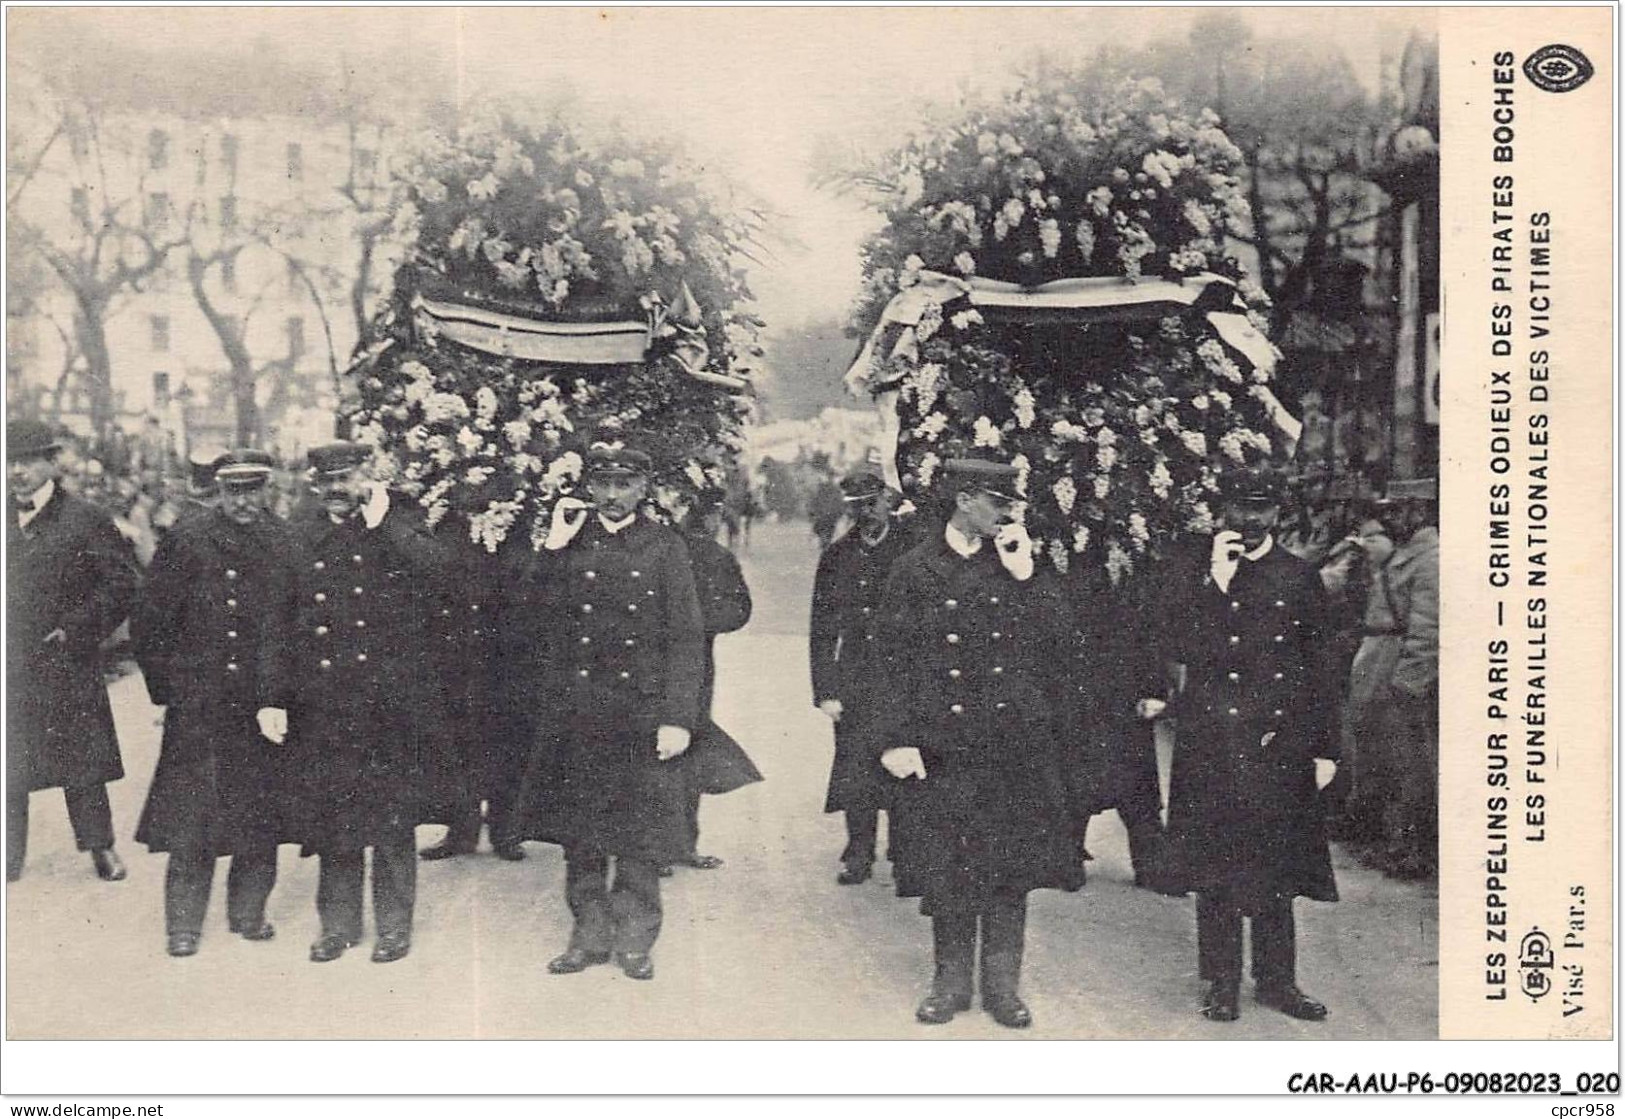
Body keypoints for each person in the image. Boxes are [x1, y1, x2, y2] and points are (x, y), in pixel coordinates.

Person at [871, 456, 1080, 1029]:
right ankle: (951, 980)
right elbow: (887, 663)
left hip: (1012, 745)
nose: (1008, 514)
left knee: (1010, 866)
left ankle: (1003, 984)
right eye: (998, 502)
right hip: (942, 745)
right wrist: (894, 739)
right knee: (949, 865)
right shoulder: (915, 569)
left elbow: (1062, 645)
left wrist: (1026, 576)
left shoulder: (1019, 563)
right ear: (965, 500)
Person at [1145, 463, 1340, 1023]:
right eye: (1240, 507)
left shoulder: (1298, 576)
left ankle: (1278, 980)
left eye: (1262, 508)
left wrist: (1326, 746)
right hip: (1213, 740)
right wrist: (1215, 584)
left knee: (1276, 866)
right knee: (1216, 867)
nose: (1250, 519)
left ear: (1277, 513)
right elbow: (1174, 642)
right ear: (1222, 511)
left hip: (1279, 741)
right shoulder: (1195, 571)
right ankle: (1221, 980)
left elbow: (1320, 667)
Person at [512, 444, 706, 982]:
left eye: (625, 484)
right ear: (589, 487)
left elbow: (687, 639)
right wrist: (551, 547)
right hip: (580, 711)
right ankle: (588, 934)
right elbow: (529, 613)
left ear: (644, 489)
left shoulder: (665, 547)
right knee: (583, 832)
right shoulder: (571, 541)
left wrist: (678, 716)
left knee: (640, 834)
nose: (613, 495)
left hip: (640, 714)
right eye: (604, 484)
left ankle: (637, 937)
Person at [260, 441, 457, 964]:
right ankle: (338, 926)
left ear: (366, 475)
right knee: (335, 821)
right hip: (324, 702)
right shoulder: (300, 531)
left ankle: (394, 926)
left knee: (392, 821)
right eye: (327, 482)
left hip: (388, 701)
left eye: (346, 479)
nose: (337, 490)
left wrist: (383, 523)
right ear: (314, 484)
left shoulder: (399, 517)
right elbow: (278, 620)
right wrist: (272, 697)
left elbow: (440, 573)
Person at [132, 449, 290, 956]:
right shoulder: (188, 538)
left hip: (261, 704)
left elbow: (294, 626)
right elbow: (150, 619)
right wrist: (169, 691)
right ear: (217, 491)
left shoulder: (284, 540)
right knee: (191, 822)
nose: (243, 501)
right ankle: (183, 925)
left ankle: (249, 913)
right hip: (200, 703)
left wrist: (283, 694)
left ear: (267, 489)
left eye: (252, 489)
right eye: (233, 490)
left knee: (259, 816)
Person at [6, 419, 140, 884]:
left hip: (64, 659)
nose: (17, 472)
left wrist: (76, 629)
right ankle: (8, 856)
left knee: (82, 760)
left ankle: (100, 845)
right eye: (9, 462)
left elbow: (122, 582)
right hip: (9, 662)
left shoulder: (83, 519)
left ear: (52, 462)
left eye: (27, 461)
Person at [808, 467, 913, 885]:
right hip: (857, 676)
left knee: (907, 760)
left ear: (888, 499)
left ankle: (907, 851)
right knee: (856, 765)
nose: (868, 513)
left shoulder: (912, 550)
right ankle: (859, 852)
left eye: (873, 503)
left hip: (905, 674)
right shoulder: (837, 556)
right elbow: (821, 628)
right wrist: (825, 690)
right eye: (857, 508)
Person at [418, 512, 526, 864]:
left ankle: (505, 829)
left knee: (504, 735)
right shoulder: (446, 511)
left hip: (503, 642)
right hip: (457, 638)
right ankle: (461, 828)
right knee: (458, 734)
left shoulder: (518, 510)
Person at [1346, 479, 1438, 879]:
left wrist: (1409, 682)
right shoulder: (1406, 554)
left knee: (1409, 763)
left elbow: (1429, 629)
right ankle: (1392, 841)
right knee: (1382, 756)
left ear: (1419, 511)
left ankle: (1413, 851)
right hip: (1380, 658)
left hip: (1397, 666)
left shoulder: (1431, 559)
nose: (1393, 518)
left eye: (1399, 510)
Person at [667, 495, 760, 875]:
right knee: (688, 743)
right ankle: (681, 844)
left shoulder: (667, 549)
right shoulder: (715, 555)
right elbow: (739, 610)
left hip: (661, 661)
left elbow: (739, 609)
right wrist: (702, 625)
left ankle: (656, 846)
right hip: (695, 665)